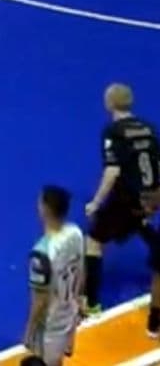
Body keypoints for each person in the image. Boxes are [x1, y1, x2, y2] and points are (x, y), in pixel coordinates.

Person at [82, 83, 160, 322]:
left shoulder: (114, 131)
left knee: (94, 241)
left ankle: (91, 302)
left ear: (109, 103)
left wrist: (96, 202)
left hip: (126, 196)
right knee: (137, 221)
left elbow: (113, 170)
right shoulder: (148, 128)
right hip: (151, 194)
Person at [24, 185, 84, 366]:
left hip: (50, 324)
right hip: (70, 312)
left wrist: (30, 329)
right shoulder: (75, 233)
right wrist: (80, 299)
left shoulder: (42, 252)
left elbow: (40, 299)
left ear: (45, 209)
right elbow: (82, 270)